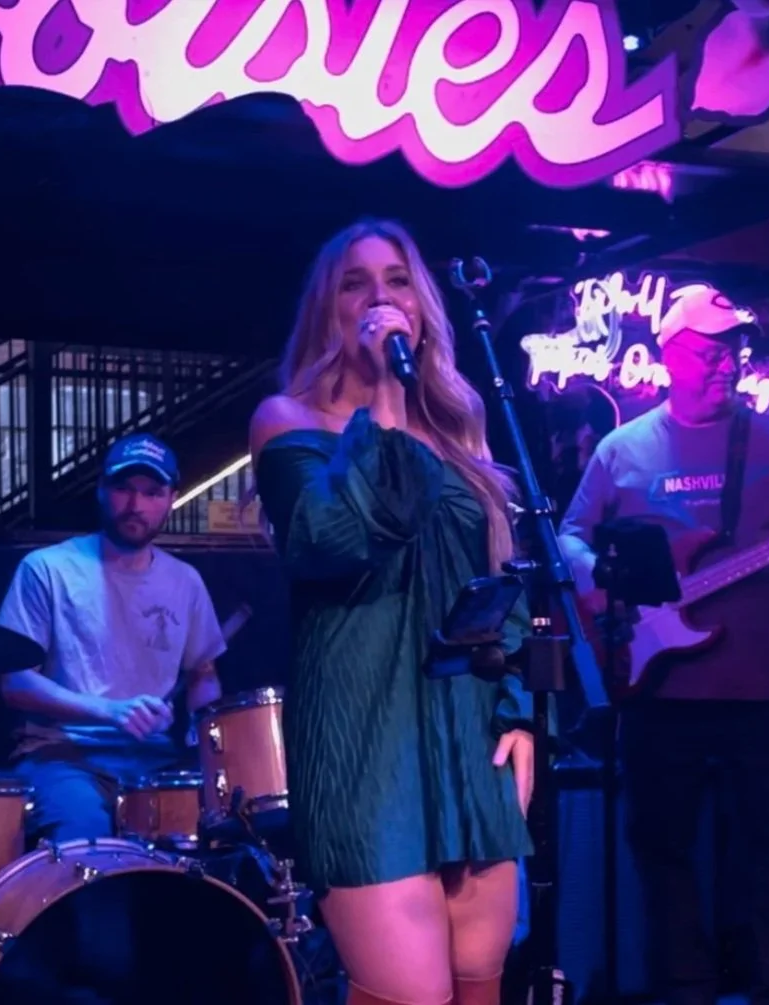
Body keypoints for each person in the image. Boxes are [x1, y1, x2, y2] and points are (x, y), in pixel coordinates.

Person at [250, 218, 534, 1005]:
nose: (380, 297)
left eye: (397, 280)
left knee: (480, 986)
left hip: (467, 733)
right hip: (365, 742)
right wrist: (384, 396)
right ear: (329, 309)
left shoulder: (458, 434)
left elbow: (498, 585)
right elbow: (339, 538)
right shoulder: (287, 423)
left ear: (421, 305)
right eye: (356, 283)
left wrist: (516, 713)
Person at [558, 286, 769, 1005]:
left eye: (733, 348)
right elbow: (570, 535)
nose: (726, 362)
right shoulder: (621, 449)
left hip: (766, 688)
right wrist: (597, 583)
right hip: (657, 688)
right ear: (670, 353)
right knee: (661, 852)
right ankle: (682, 989)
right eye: (709, 350)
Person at [0, 432, 226, 842]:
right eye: (124, 488)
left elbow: (203, 674)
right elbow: (15, 683)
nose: (136, 505)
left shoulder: (185, 581)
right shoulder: (46, 568)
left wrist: (199, 729)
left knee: (202, 848)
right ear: (101, 489)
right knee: (88, 840)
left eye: (152, 492)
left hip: (154, 762)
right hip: (60, 755)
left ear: (172, 498)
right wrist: (111, 711)